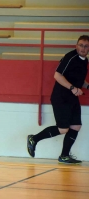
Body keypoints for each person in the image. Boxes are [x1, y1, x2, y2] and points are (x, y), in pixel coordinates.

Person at [27, 35, 89, 164]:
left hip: (72, 98)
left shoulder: (84, 61)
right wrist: (73, 88)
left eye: (86, 46)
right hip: (61, 97)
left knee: (76, 126)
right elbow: (57, 75)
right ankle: (34, 139)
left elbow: (78, 79)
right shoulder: (70, 57)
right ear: (76, 45)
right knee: (63, 129)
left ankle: (64, 156)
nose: (83, 48)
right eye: (80, 45)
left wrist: (87, 85)